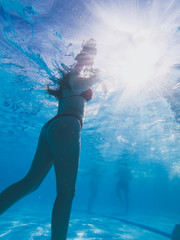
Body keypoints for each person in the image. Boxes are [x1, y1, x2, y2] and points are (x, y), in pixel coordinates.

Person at [0, 38, 100, 240]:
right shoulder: (81, 72)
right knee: (66, 193)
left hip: (53, 125)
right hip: (67, 125)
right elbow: (78, 83)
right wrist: (100, 75)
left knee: (31, 183)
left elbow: (74, 84)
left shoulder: (75, 73)